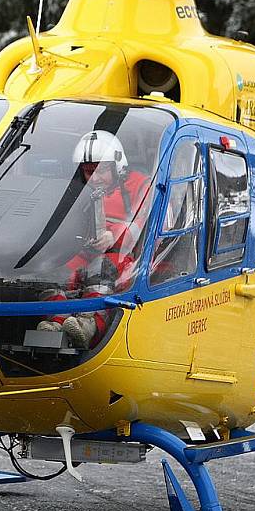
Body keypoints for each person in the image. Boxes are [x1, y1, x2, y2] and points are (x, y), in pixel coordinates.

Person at [37, 130, 151, 348]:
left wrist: (115, 235)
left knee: (100, 270)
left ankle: (90, 326)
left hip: (127, 255)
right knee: (52, 270)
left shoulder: (141, 185)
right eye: (89, 172)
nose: (96, 177)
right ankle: (57, 321)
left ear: (118, 164)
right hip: (85, 250)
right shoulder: (80, 192)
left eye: (101, 170)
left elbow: (152, 220)